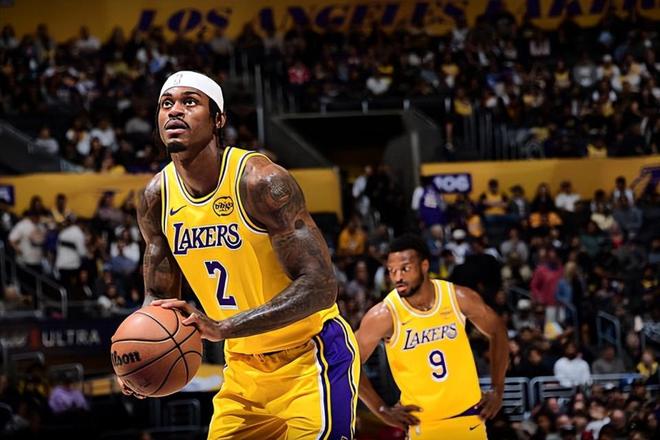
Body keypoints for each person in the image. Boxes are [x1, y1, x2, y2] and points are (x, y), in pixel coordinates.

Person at [118, 71, 359, 439]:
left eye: (190, 102)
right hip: (243, 369)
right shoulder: (157, 198)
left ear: (218, 120)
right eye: (167, 104)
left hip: (310, 356)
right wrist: (137, 362)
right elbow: (159, 299)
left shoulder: (261, 182)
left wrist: (224, 327)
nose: (175, 111)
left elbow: (321, 286)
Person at [355, 234, 509, 439]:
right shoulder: (384, 315)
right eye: (392, 271)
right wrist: (382, 410)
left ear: (424, 265)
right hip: (423, 425)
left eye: (405, 269)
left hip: (470, 419)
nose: (398, 277)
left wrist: (497, 389)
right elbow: (349, 362)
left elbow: (498, 330)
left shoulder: (457, 297)